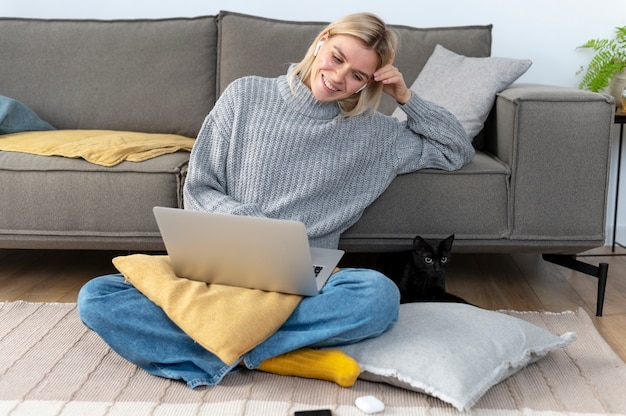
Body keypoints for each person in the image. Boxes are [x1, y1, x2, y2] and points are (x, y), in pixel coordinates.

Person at [78, 12, 474, 389]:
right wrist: (253, 227)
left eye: (357, 75)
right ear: (322, 42)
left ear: (369, 82)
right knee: (97, 297)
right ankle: (268, 353)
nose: (338, 78)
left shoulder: (375, 134)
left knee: (379, 296)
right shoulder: (244, 95)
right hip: (220, 264)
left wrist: (406, 97)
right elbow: (199, 190)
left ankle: (226, 349)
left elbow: (456, 149)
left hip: (303, 284)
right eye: (336, 59)